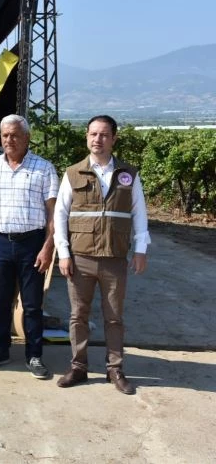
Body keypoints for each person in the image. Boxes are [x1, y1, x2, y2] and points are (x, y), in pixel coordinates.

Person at [54, 115, 150, 395]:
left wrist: (140, 250)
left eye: (104, 135)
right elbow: (60, 215)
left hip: (114, 258)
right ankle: (78, 367)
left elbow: (140, 214)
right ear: (87, 137)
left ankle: (115, 369)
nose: (98, 139)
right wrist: (63, 253)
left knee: (114, 317)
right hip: (80, 256)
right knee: (78, 315)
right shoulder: (73, 173)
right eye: (93, 134)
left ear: (114, 138)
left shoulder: (128, 175)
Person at [0, 115, 59, 379]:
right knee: (0, 301)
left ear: (27, 137)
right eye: (4, 135)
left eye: (14, 135)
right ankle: (0, 349)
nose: (9, 140)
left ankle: (34, 356)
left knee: (32, 304)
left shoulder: (44, 168)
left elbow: (53, 213)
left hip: (32, 244)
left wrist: (48, 248)